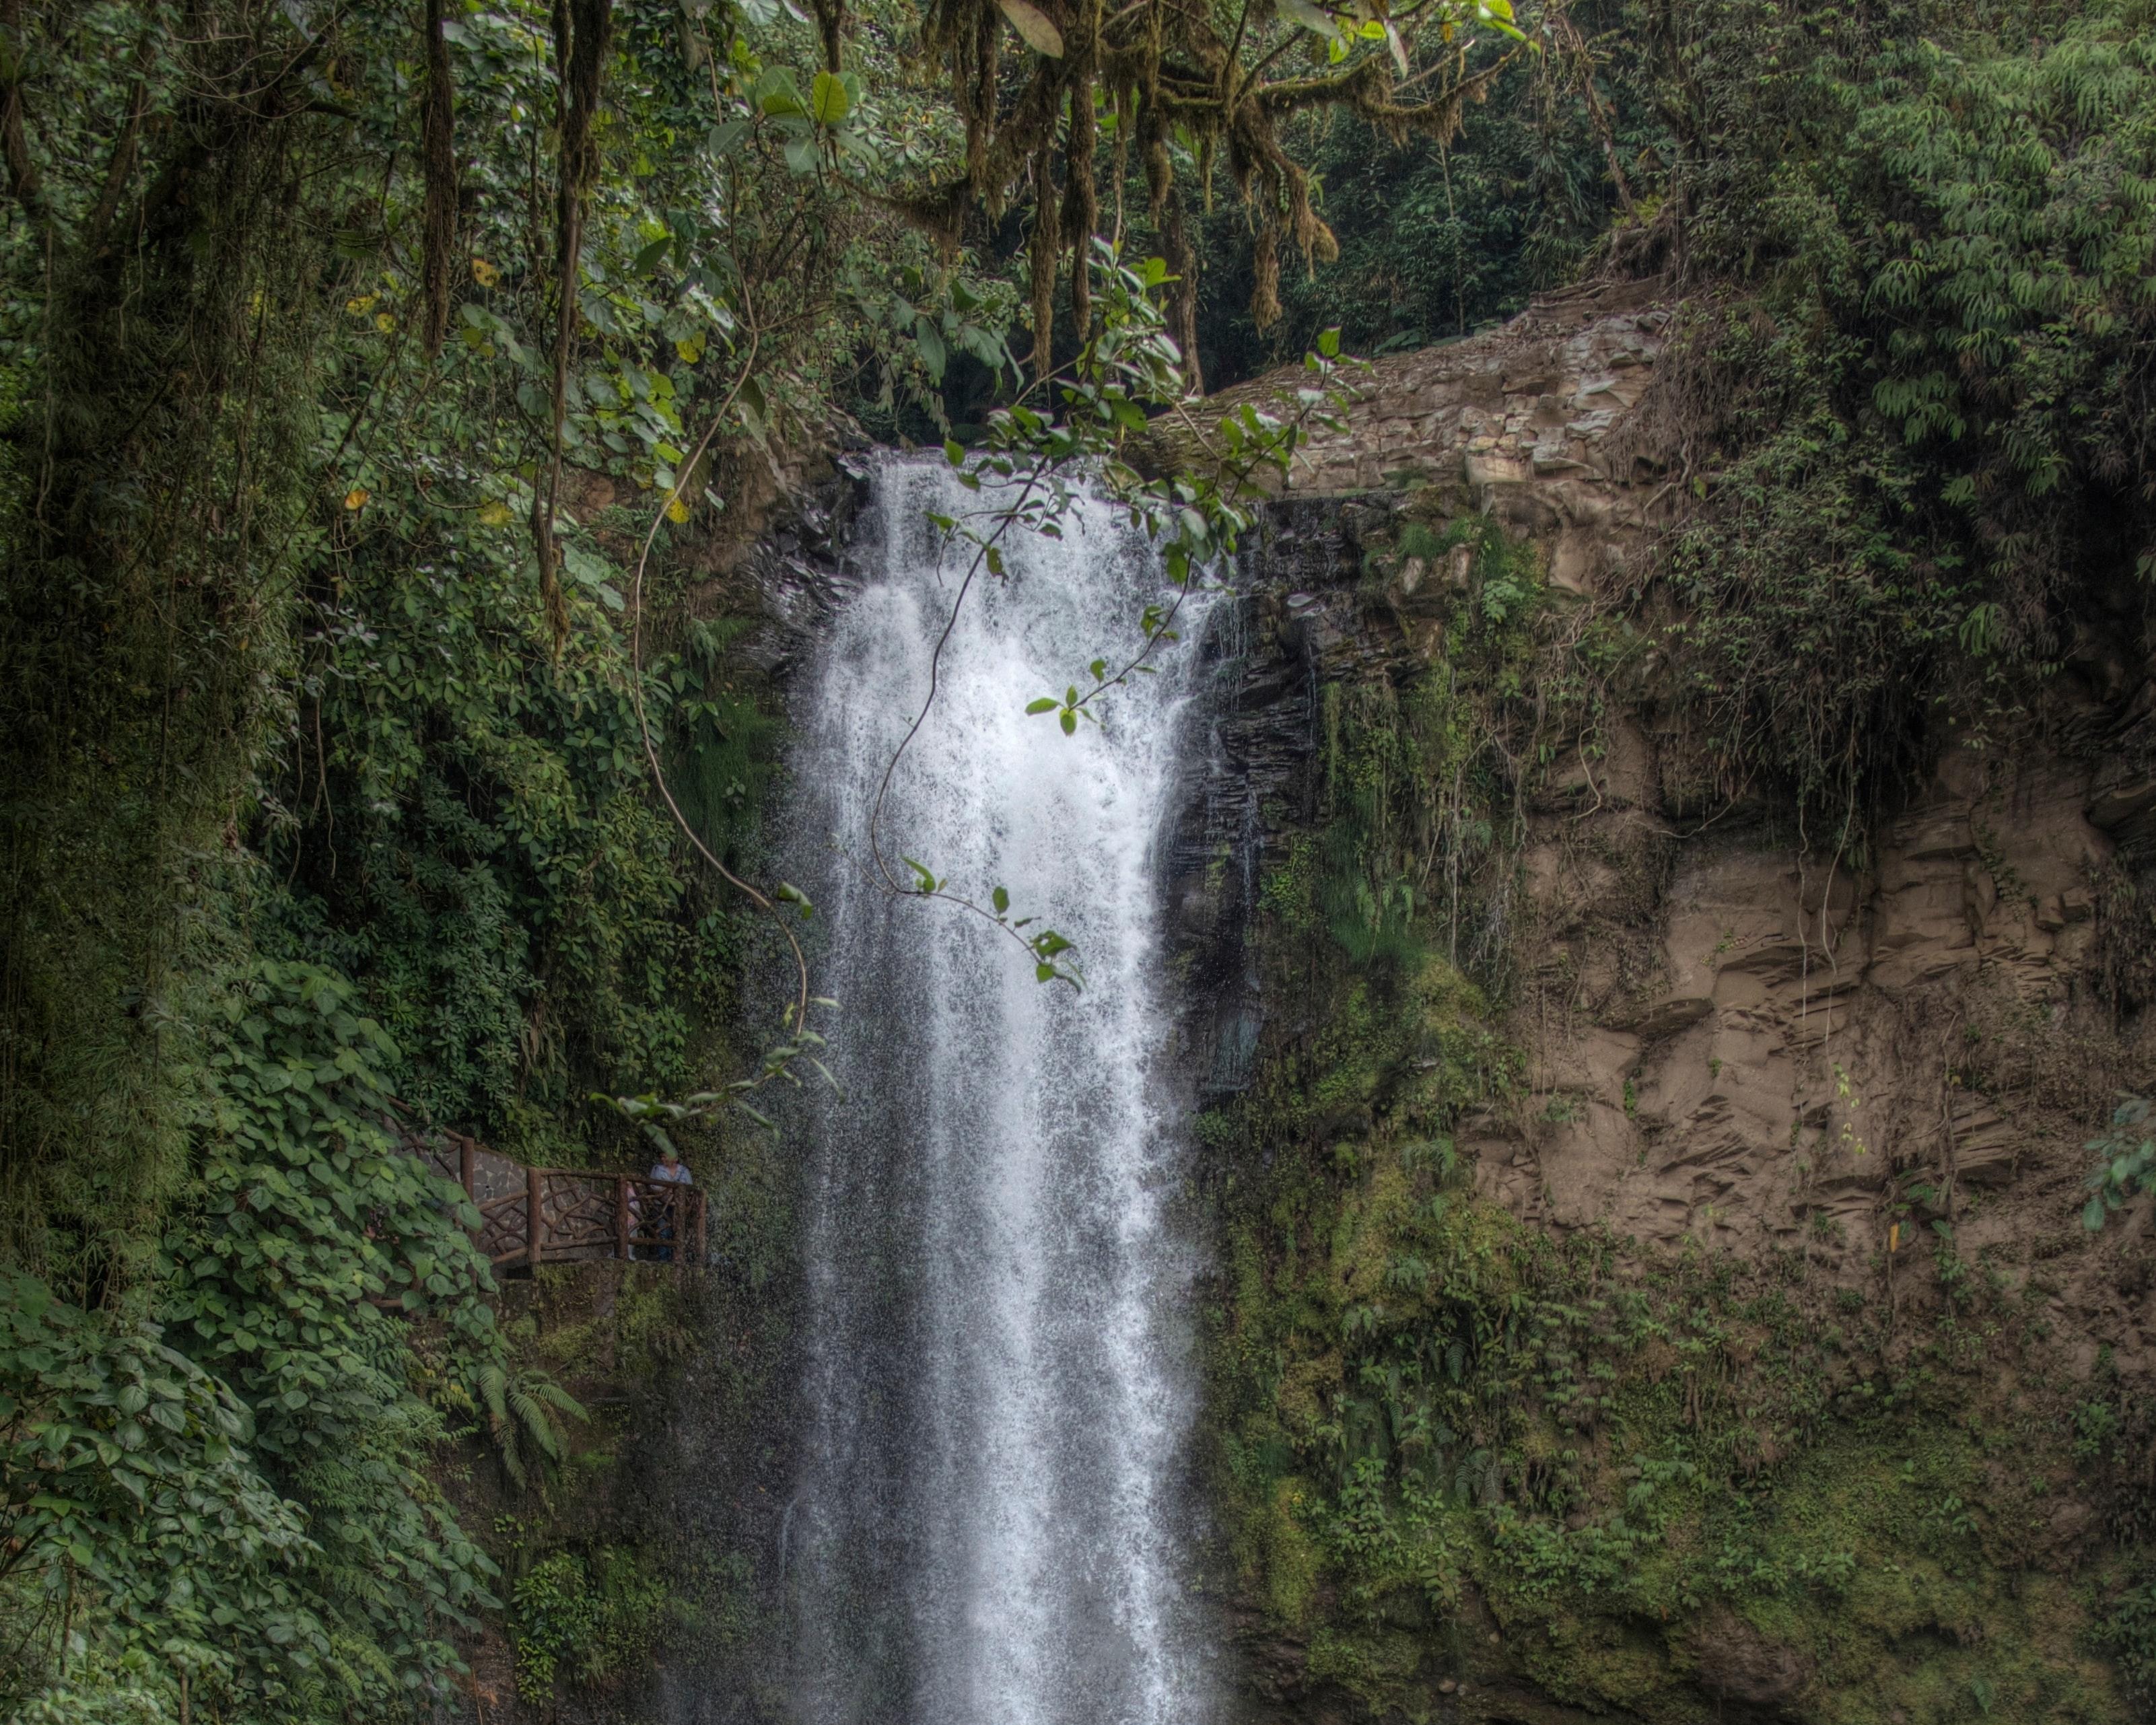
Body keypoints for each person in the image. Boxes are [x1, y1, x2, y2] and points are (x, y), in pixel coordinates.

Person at [645, 1143, 693, 1262]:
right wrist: (667, 1191)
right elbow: (652, 1186)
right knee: (663, 1231)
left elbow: (690, 1188)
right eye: (661, 1157)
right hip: (662, 1205)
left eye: (665, 1156)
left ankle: (677, 1260)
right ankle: (664, 1261)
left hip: (679, 1207)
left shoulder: (684, 1171)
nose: (662, 1159)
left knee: (678, 1232)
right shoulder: (657, 1169)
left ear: (674, 1158)